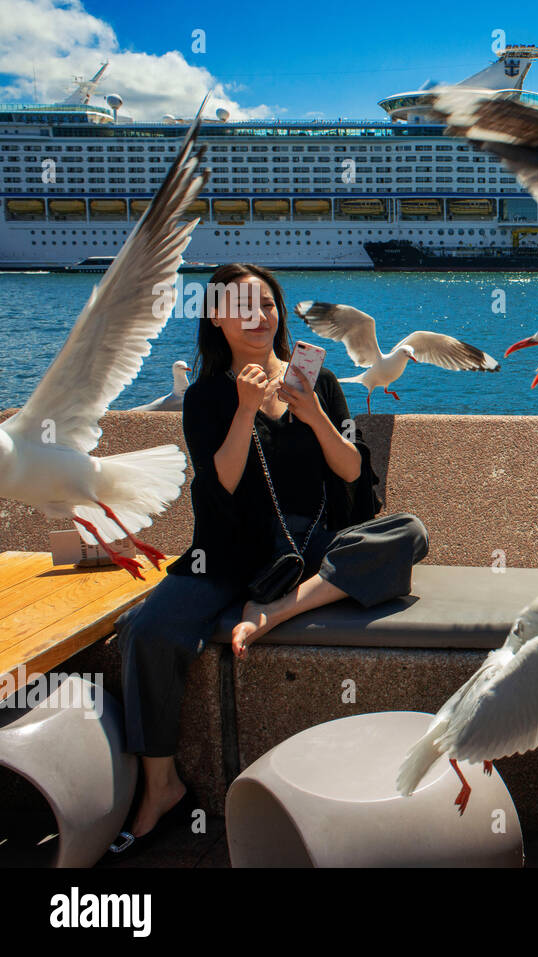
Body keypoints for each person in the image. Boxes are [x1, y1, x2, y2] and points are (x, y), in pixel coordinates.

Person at [108, 263, 429, 858]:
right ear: (215, 318)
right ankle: (161, 788)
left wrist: (312, 415)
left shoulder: (321, 382)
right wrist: (244, 408)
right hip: (228, 553)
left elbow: (356, 476)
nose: (259, 317)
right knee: (149, 631)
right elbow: (221, 485)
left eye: (268, 304)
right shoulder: (206, 394)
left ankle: (277, 610)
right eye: (242, 307)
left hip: (308, 548)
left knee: (408, 533)